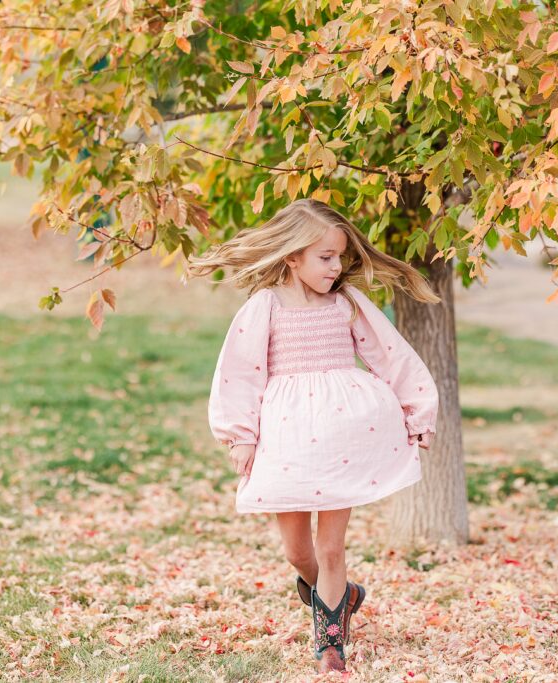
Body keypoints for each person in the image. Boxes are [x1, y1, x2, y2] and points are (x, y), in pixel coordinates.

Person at [186, 198, 441, 673]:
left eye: (340, 256)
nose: (337, 266)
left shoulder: (345, 304)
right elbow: (239, 372)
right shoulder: (264, 307)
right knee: (298, 552)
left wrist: (417, 412)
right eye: (325, 257)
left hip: (341, 439)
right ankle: (344, 597)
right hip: (286, 441)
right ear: (292, 257)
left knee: (330, 548)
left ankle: (330, 646)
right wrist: (239, 434)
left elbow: (392, 355)